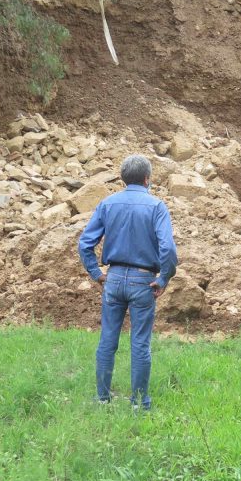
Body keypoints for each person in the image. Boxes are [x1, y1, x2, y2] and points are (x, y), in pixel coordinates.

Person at [78, 154, 178, 410]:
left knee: (107, 340)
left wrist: (96, 273)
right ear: (147, 179)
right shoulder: (156, 206)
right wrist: (164, 278)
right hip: (143, 280)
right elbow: (168, 249)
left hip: (113, 277)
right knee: (140, 343)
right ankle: (139, 403)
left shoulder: (108, 203)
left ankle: (102, 398)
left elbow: (85, 243)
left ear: (123, 178)